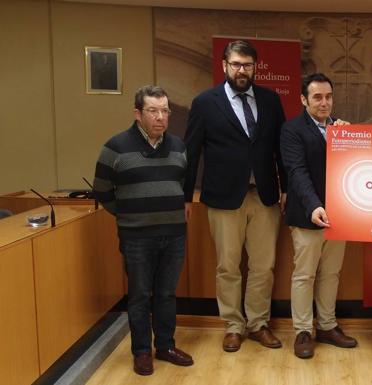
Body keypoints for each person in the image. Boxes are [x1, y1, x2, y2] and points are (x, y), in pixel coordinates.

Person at [184, 40, 286, 352]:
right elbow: (191, 151)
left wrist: (287, 190)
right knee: (227, 267)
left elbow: (281, 148)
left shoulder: (270, 100)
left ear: (256, 67)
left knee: (263, 265)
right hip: (223, 198)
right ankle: (233, 324)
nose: (242, 70)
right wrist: (185, 197)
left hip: (265, 197)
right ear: (225, 66)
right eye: (236, 64)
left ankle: (258, 323)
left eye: (248, 65)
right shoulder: (205, 102)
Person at [93, 85, 193, 376]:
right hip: (136, 237)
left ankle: (165, 345)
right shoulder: (115, 147)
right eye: (153, 110)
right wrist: (127, 214)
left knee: (166, 294)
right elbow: (102, 191)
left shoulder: (178, 146)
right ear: (138, 113)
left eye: (165, 111)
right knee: (139, 295)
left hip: (174, 235)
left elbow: (183, 183)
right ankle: (141, 352)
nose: (160, 117)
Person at [281, 73, 358, 359]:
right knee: (305, 274)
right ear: (304, 100)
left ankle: (327, 326)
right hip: (307, 216)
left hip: (340, 216)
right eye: (317, 97)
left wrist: (350, 139)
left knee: (331, 273)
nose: (324, 102)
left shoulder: (341, 128)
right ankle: (303, 330)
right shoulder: (292, 130)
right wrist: (314, 205)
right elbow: (296, 172)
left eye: (328, 97)